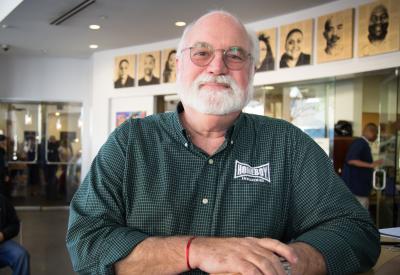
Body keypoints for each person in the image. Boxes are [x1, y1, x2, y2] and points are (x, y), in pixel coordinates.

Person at [67, 11, 380, 275]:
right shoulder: (130, 142)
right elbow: (86, 241)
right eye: (202, 52)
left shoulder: (288, 144)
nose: (217, 67)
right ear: (178, 65)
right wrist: (194, 250)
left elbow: (356, 231)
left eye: (234, 54)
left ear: (252, 70)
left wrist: (287, 261)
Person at [342, 123, 384, 209]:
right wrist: (371, 165)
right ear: (370, 132)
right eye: (376, 134)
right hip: (356, 189)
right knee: (360, 216)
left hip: (358, 188)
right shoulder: (360, 143)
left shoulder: (362, 144)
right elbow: (351, 160)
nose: (376, 137)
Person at [0, 194, 30, 275]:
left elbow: (15, 224)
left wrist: (3, 235)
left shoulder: (2, 200)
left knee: (21, 255)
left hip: (2, 245)